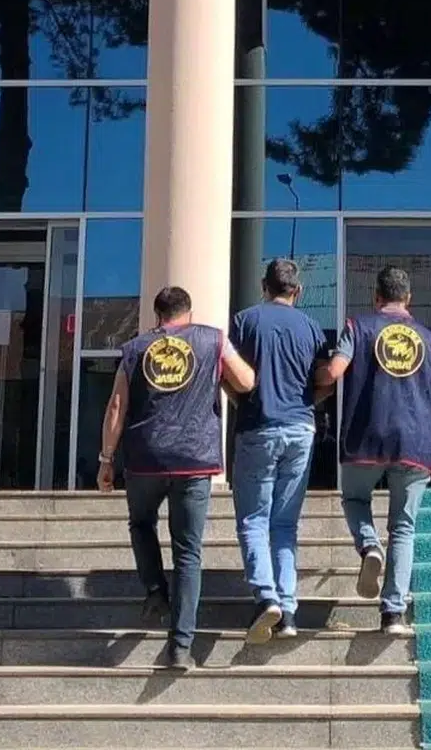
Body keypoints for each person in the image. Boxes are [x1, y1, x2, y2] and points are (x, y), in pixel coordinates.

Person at [98, 285, 255, 669]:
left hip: (145, 458)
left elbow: (117, 405)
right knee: (188, 551)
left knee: (141, 523)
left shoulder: (135, 349)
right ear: (189, 312)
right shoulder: (213, 340)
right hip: (193, 459)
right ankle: (181, 646)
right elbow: (246, 381)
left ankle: (155, 590)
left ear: (157, 316)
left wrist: (106, 459)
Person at [316, 265, 431, 636]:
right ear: (408, 299)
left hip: (366, 438)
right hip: (416, 444)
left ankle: (369, 546)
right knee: (404, 528)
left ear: (376, 297)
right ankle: (393, 614)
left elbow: (335, 372)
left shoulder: (357, 327)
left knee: (355, 499)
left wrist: (310, 379)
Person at [230, 257, 330, 643]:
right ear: (297, 290)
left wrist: (239, 401)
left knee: (254, 520)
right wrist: (309, 403)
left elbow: (230, 372)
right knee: (285, 525)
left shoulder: (245, 321)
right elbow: (326, 378)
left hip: (258, 426)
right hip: (300, 428)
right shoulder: (311, 327)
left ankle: (265, 597)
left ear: (263, 286)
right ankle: (288, 612)